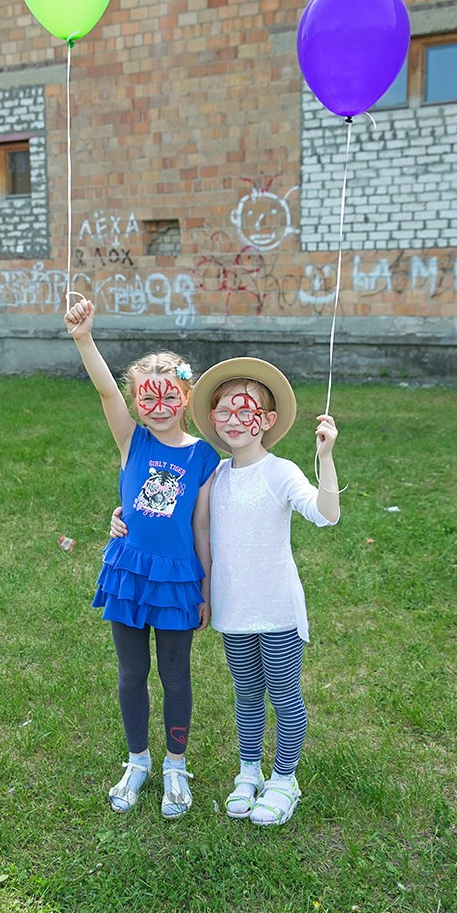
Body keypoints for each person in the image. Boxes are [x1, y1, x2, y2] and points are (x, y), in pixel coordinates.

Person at [111, 356, 340, 826]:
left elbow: (326, 513)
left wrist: (326, 457)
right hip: (234, 610)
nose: (234, 420)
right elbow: (180, 520)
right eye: (224, 411)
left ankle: (285, 779)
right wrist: (122, 517)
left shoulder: (281, 472)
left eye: (245, 411)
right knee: (247, 695)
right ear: (211, 416)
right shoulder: (213, 474)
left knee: (283, 694)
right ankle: (249, 771)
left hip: (276, 609)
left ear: (267, 420)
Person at [64, 297, 220, 819]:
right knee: (131, 673)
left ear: (185, 397)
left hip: (177, 583)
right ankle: (137, 761)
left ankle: (175, 764)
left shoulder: (203, 456)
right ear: (135, 401)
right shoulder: (131, 440)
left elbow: (201, 526)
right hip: (129, 573)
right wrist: (84, 338)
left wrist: (205, 588)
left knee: (175, 676)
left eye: (168, 396)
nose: (158, 406)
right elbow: (105, 390)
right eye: (146, 397)